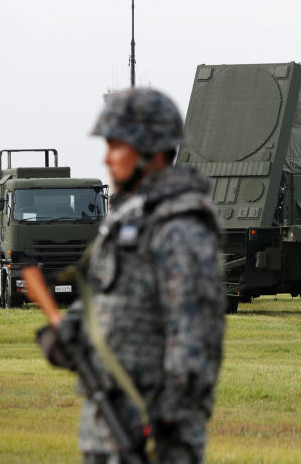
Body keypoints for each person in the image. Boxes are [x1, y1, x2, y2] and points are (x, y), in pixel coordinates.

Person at [37, 88, 225, 463]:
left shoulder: (179, 227)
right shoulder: (127, 220)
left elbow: (195, 338)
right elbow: (106, 298)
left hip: (152, 439)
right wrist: (73, 332)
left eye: (117, 146)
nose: (106, 158)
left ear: (151, 153)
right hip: (105, 433)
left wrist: (169, 429)